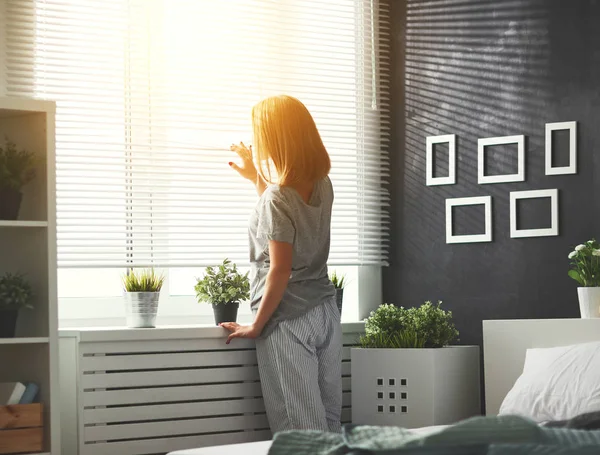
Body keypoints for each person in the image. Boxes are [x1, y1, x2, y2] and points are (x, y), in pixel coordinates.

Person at [220, 95, 342, 434]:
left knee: (299, 424)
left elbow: (280, 268)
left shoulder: (277, 198)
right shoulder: (322, 185)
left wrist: (257, 325)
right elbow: (287, 214)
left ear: (276, 138)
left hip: (288, 317)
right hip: (325, 312)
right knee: (328, 419)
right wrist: (256, 178)